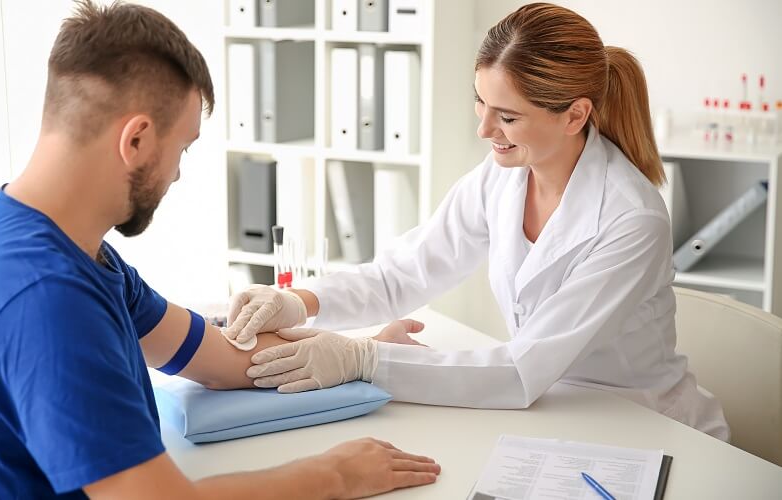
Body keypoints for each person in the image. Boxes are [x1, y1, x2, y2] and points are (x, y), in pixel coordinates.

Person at [0, 1, 440, 498]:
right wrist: (336, 474)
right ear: (135, 140)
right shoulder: (47, 299)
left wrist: (360, 354)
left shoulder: (57, 244)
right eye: (182, 147)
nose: (178, 173)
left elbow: (222, 360)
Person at [225, 2, 730, 442]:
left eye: (507, 116)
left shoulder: (630, 220)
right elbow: (405, 272)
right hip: (550, 411)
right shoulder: (503, 174)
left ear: (575, 115)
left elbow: (518, 370)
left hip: (637, 422)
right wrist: (298, 301)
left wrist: (363, 359)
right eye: (481, 102)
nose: (485, 128)